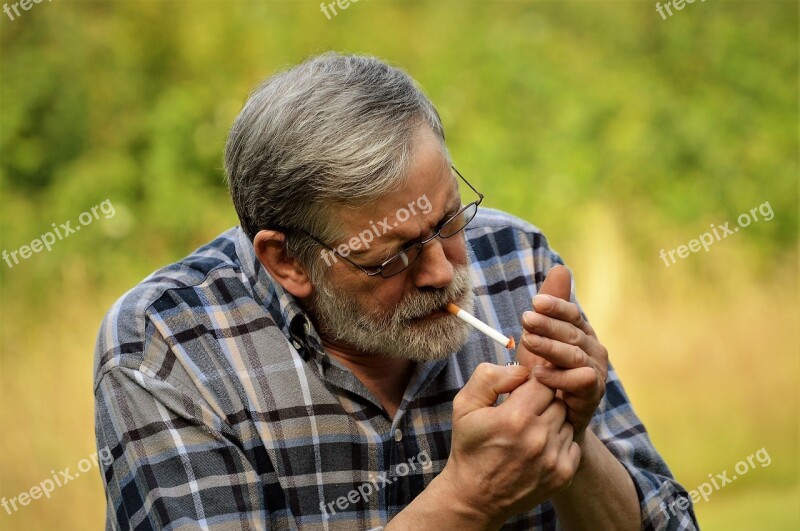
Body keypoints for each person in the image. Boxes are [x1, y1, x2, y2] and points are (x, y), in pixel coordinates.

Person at [94, 52, 698, 530]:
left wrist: (572, 436)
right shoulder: (169, 349)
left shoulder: (516, 261)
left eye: (448, 221)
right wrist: (465, 502)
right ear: (287, 261)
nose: (440, 270)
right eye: (393, 255)